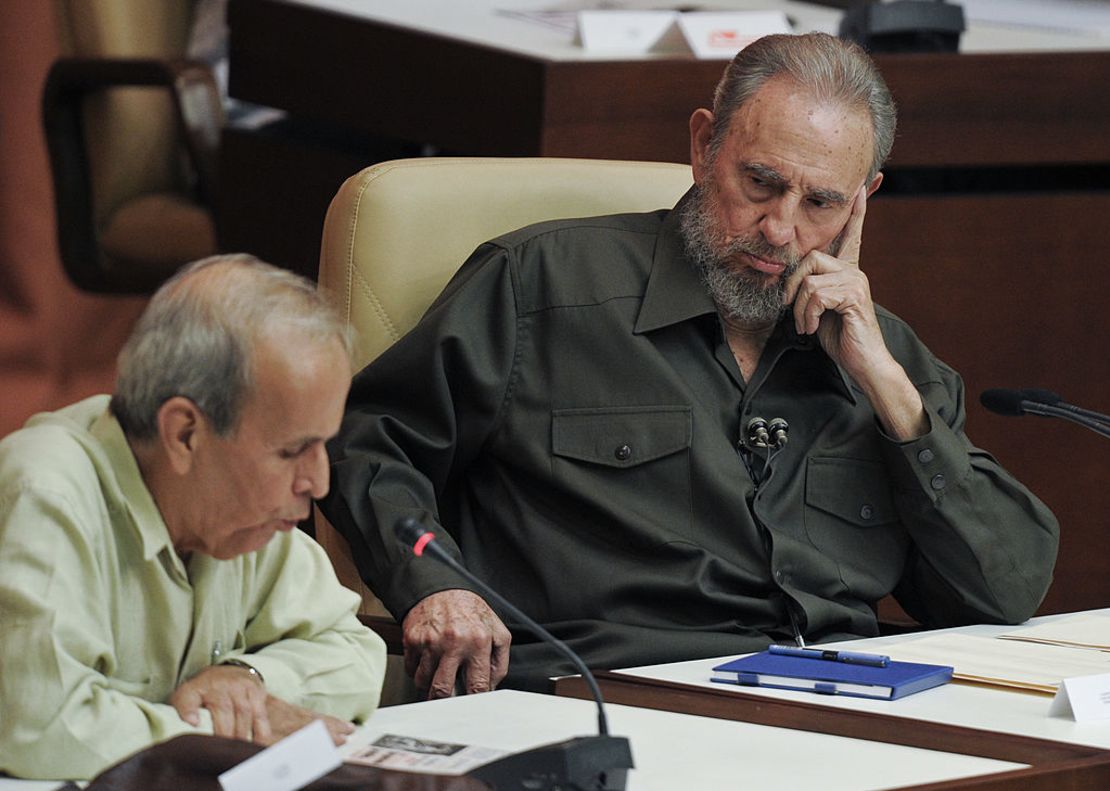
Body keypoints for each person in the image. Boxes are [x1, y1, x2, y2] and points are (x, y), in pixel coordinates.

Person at [321, 33, 1059, 697]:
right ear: (705, 147)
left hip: (840, 717)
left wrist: (894, 397)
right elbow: (367, 442)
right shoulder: (542, 286)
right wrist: (433, 582)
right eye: (761, 182)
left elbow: (1004, 593)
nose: (780, 229)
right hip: (607, 695)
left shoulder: (882, 357)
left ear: (864, 202)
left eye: (821, 203)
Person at [0, 255, 387, 780]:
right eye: (295, 449)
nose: (317, 483)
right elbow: (38, 728)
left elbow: (354, 653)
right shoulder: (47, 491)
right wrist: (223, 731)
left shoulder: (241, 512)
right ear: (185, 434)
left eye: (324, 445)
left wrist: (246, 678)